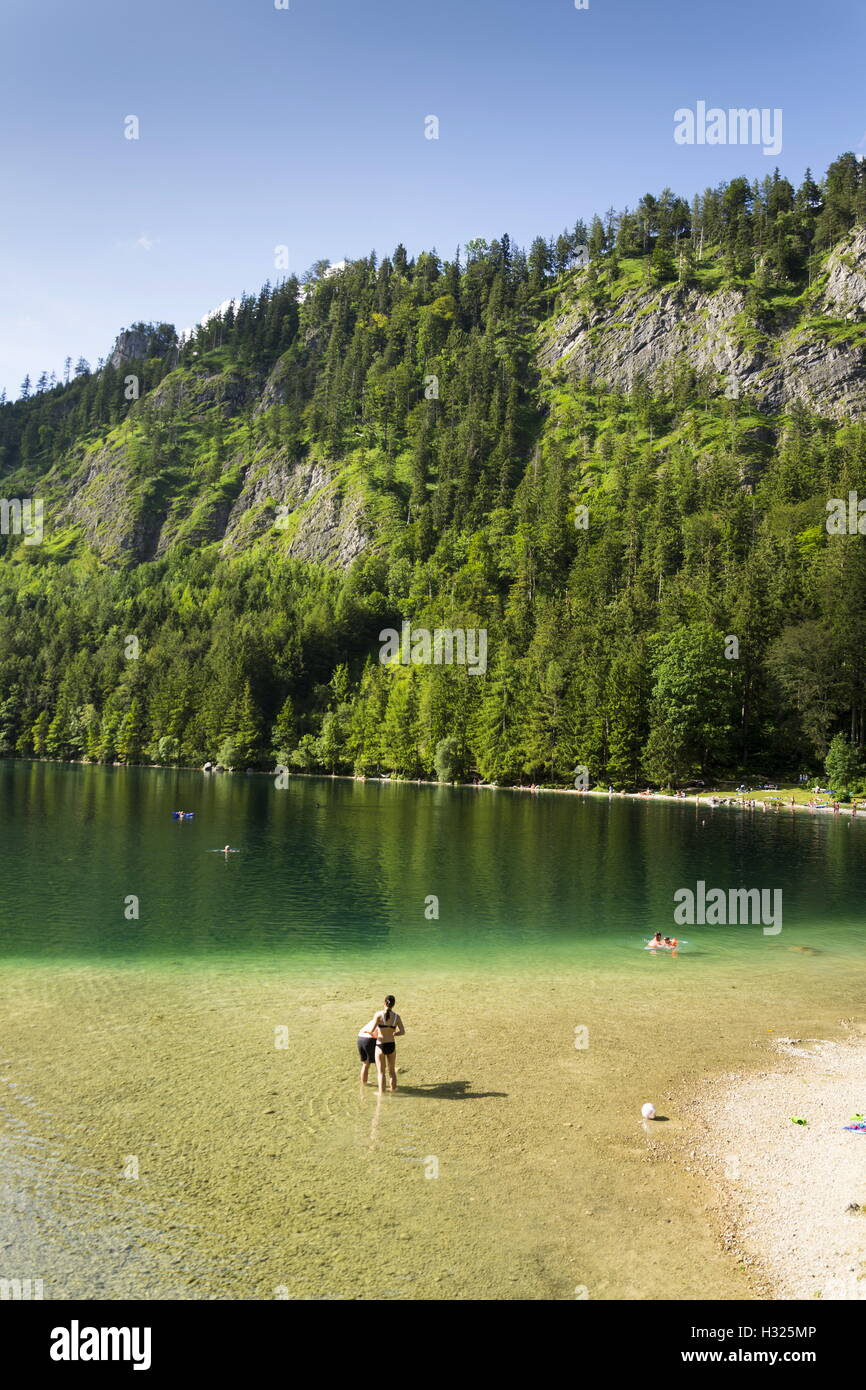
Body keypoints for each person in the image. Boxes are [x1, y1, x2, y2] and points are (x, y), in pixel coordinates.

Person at [372, 995, 405, 1093]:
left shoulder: (378, 1015)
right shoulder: (397, 1017)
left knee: (381, 1072)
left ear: (384, 1003)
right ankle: (393, 1090)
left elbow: (372, 1030)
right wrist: (395, 1033)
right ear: (393, 1005)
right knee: (392, 1071)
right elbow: (403, 1032)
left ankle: (381, 1094)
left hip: (380, 1045)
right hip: (391, 1045)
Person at [356, 1014, 380, 1086]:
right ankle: (382, 1084)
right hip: (369, 1040)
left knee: (365, 1064)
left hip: (360, 1038)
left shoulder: (372, 1021)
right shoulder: (381, 1022)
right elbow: (375, 1034)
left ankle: (364, 1082)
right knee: (379, 1064)